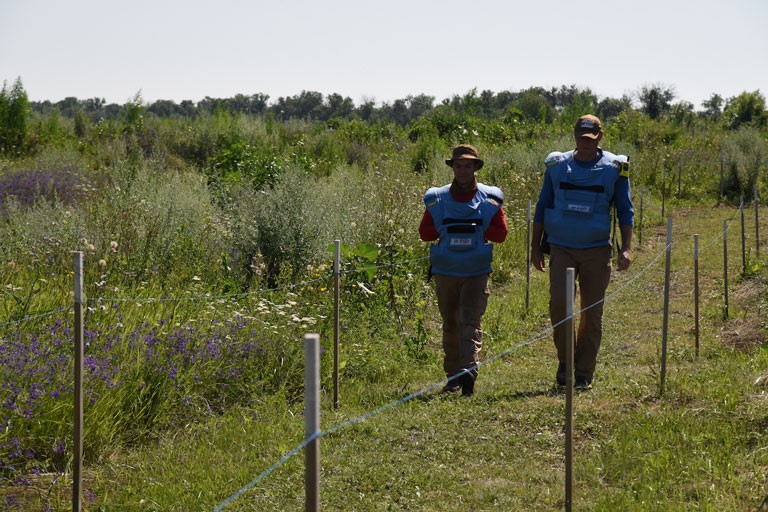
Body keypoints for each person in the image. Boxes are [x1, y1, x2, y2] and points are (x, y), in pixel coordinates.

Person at [531, 114, 634, 390]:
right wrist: (535, 247)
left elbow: (625, 209)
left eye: (590, 138)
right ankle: (566, 363)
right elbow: (543, 205)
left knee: (591, 313)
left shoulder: (615, 166)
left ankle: (583, 373)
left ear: (600, 137)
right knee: (560, 306)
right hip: (561, 247)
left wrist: (626, 248)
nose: (585, 143)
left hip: (596, 250)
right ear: (574, 136)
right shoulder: (556, 165)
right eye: (580, 138)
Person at [419, 144, 508, 396]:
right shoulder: (437, 198)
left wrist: (474, 226)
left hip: (475, 272)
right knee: (450, 324)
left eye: (467, 165)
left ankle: (468, 371)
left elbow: (501, 234)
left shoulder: (489, 199)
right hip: (447, 271)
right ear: (452, 167)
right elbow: (425, 232)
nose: (462, 170)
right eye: (458, 165)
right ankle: (454, 377)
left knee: (469, 320)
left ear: (476, 167)